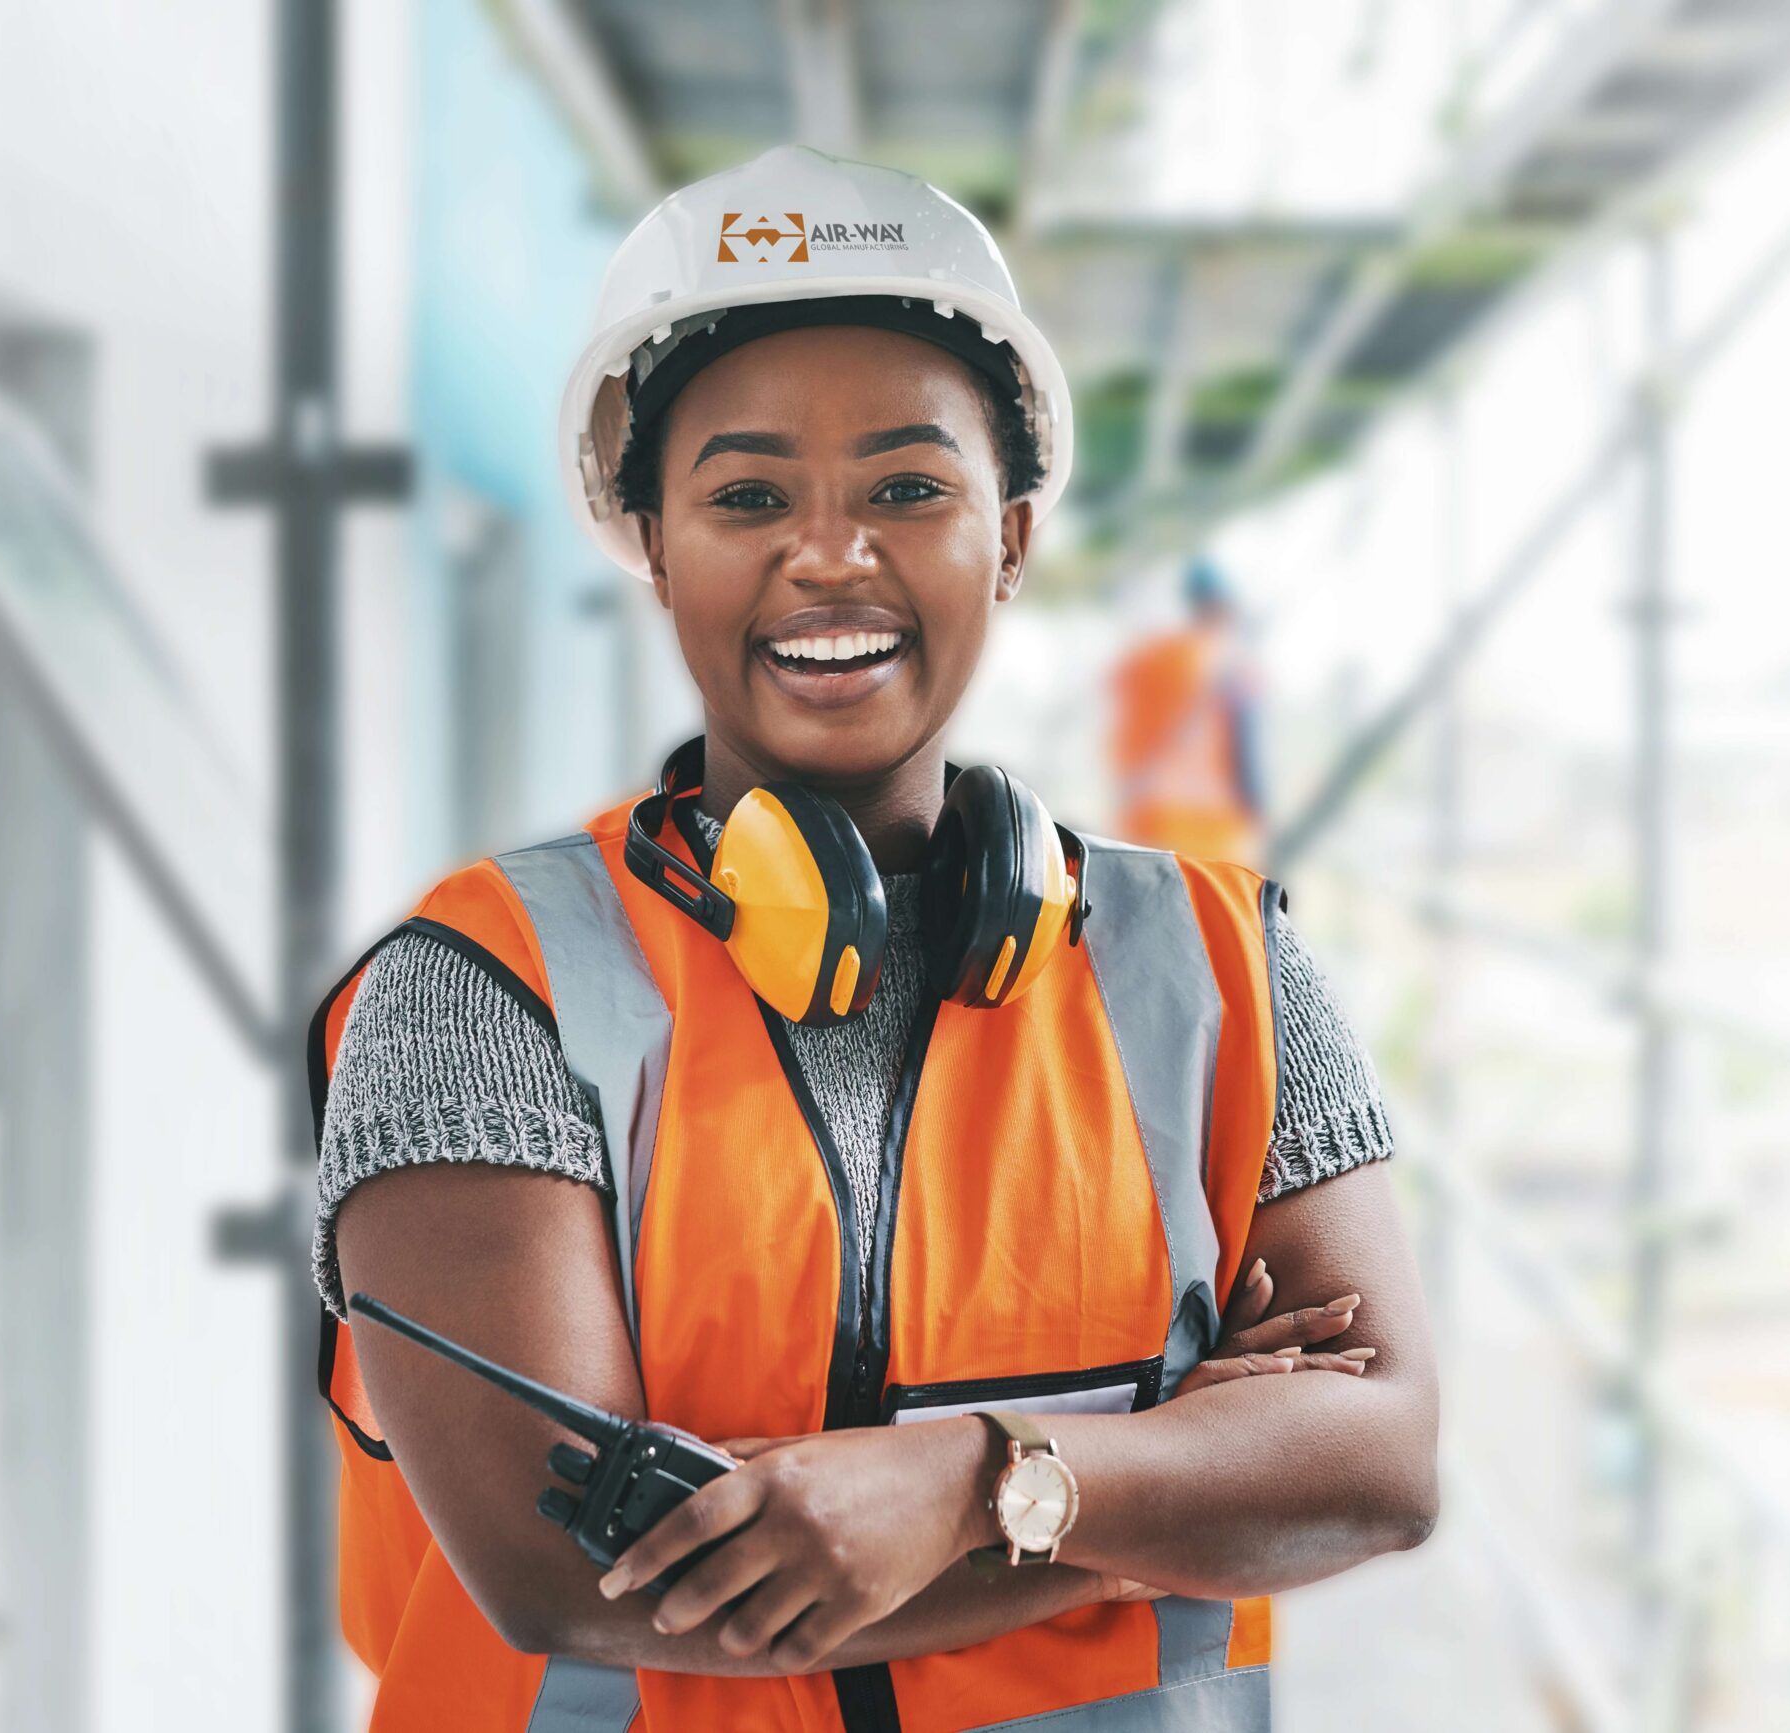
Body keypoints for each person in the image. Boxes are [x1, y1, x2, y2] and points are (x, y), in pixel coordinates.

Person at [308, 146, 1432, 1733]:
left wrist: (964, 1485)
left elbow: (1381, 1463)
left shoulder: (1219, 962)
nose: (831, 555)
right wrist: (1161, 1464)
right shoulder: (481, 986)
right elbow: (574, 1576)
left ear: (1013, 536)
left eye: (911, 486)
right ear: (650, 540)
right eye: (747, 494)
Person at [1108, 556, 1266, 867]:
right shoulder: (1236, 666)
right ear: (1224, 605)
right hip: (1215, 833)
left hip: (1147, 822)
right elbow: (1248, 760)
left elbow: (1124, 736)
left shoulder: (1147, 659)